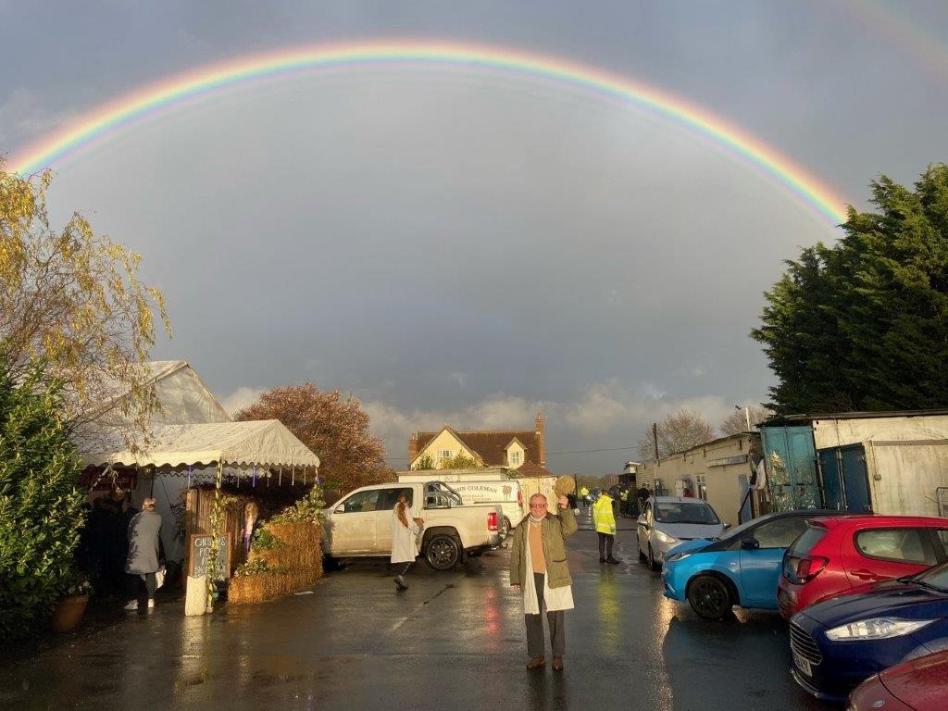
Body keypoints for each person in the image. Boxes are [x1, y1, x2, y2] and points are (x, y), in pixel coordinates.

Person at [509, 493, 577, 672]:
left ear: (546, 506)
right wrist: (515, 577)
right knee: (532, 616)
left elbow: (570, 528)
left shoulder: (554, 522)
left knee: (555, 616)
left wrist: (565, 508)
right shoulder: (523, 526)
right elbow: (516, 552)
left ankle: (557, 656)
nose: (537, 509)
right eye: (534, 505)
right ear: (529, 506)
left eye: (541, 505)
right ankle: (537, 655)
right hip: (531, 576)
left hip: (552, 574)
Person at [124, 497, 162, 611]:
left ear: (143, 506)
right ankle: (151, 600)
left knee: (134, 574)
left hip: (137, 549)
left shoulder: (137, 517)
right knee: (150, 573)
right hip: (152, 548)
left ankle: (134, 602)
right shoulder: (159, 518)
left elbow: (129, 533)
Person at [391, 490, 424, 591]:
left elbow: (400, 520)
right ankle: (400, 576)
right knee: (410, 558)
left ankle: (400, 581)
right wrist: (419, 528)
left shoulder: (396, 507)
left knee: (401, 558)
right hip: (406, 538)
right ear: (407, 501)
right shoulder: (405, 508)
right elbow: (410, 524)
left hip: (398, 537)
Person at [593, 490, 620, 564]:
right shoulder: (611, 502)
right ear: (608, 494)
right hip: (608, 526)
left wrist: (596, 525)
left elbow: (595, 515)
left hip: (599, 526)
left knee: (601, 542)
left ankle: (601, 558)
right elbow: (611, 516)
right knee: (610, 541)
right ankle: (609, 557)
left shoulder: (597, 502)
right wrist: (613, 527)